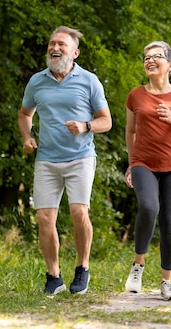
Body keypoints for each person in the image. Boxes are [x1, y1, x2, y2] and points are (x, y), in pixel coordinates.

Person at [18, 26, 112, 295]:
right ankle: (54, 277)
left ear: (75, 52)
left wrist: (85, 126)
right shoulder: (37, 81)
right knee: (45, 217)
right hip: (47, 158)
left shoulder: (89, 81)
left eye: (61, 44)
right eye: (51, 43)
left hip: (80, 157)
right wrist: (27, 137)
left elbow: (106, 121)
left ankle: (82, 268)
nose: (54, 48)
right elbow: (25, 114)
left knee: (78, 212)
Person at [123, 41, 171, 301]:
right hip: (143, 162)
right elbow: (130, 131)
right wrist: (131, 163)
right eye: (146, 57)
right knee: (149, 207)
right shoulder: (135, 95)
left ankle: (166, 282)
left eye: (156, 56)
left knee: (169, 220)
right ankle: (138, 266)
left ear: (170, 64)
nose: (150, 60)